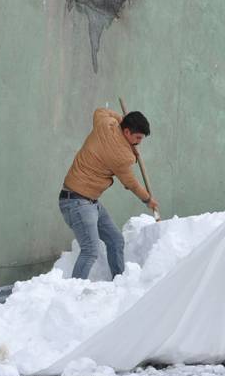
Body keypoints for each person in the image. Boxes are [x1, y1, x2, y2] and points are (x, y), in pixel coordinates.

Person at [60, 108, 159, 280]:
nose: (139, 143)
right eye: (137, 138)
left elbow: (99, 111)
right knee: (90, 251)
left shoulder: (104, 124)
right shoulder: (121, 156)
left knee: (116, 240)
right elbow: (131, 183)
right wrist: (148, 199)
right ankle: (71, 295)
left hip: (89, 201)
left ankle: (119, 283)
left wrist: (121, 120)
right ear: (127, 131)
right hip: (77, 202)